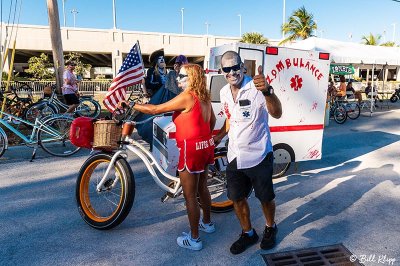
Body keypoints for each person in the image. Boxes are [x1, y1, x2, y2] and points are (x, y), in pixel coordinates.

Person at [124, 64, 216, 251]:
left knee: (190, 196)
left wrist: (132, 104)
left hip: (190, 149)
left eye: (182, 75)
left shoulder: (187, 96)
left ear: (192, 78)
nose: (179, 78)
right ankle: (207, 223)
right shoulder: (204, 97)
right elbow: (211, 121)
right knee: (203, 188)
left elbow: (156, 109)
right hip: (205, 146)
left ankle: (194, 239)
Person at [213, 51, 282, 255]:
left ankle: (270, 227)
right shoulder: (224, 92)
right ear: (222, 71)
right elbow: (230, 119)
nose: (232, 72)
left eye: (236, 67)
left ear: (243, 66)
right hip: (235, 155)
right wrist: (219, 136)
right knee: (237, 198)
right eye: (227, 69)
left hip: (259, 154)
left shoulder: (257, 87)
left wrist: (268, 91)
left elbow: (277, 113)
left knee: (265, 198)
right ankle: (248, 233)